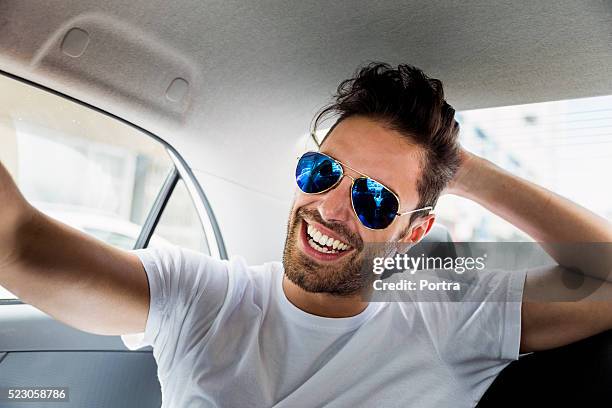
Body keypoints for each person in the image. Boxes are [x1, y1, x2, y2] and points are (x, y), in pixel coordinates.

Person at [1, 62, 611, 407]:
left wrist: (464, 171)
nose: (330, 208)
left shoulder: (442, 303)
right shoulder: (206, 297)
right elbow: (20, 245)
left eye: (375, 199)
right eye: (323, 171)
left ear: (413, 231)